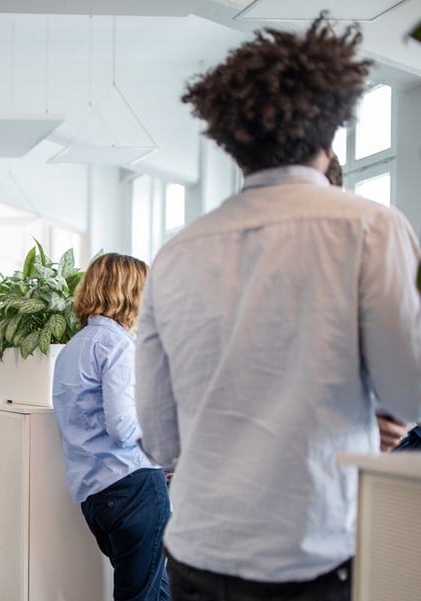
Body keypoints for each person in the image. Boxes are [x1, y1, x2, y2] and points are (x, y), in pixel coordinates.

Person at [135, 15, 421, 601]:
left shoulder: (176, 253)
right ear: (331, 130)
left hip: (199, 548)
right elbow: (409, 393)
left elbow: (159, 440)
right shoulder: (370, 228)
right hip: (312, 549)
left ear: (230, 140)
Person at [52, 253, 170, 601]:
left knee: (156, 590)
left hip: (95, 493)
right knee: (141, 594)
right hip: (134, 489)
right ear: (131, 292)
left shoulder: (72, 349)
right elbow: (122, 426)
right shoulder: (118, 346)